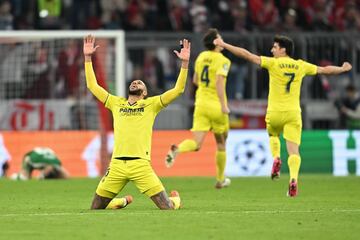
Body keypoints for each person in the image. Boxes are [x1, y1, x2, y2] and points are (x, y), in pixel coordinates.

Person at [213, 35, 352, 197]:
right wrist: (342, 69)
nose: (272, 50)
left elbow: (247, 55)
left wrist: (224, 44)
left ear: (283, 49)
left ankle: (276, 157)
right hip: (293, 114)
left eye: (275, 47)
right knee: (294, 152)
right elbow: (325, 70)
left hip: (275, 112)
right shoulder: (300, 65)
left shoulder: (273, 63)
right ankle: (293, 179)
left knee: (273, 134)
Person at [84, 35, 190, 210]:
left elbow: (178, 90)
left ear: (145, 92)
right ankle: (121, 201)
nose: (135, 82)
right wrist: (88, 58)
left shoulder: (151, 104)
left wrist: (185, 64)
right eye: (134, 81)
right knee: (95, 208)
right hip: (117, 164)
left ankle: (176, 201)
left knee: (167, 208)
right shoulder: (116, 102)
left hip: (140, 165)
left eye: (140, 82)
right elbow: (92, 86)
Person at [165, 28, 232, 189]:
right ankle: (220, 179)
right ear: (216, 42)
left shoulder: (201, 57)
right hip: (216, 105)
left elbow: (195, 80)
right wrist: (224, 106)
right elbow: (218, 83)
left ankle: (178, 149)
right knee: (222, 142)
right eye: (220, 37)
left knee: (196, 143)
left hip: (200, 104)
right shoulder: (223, 60)